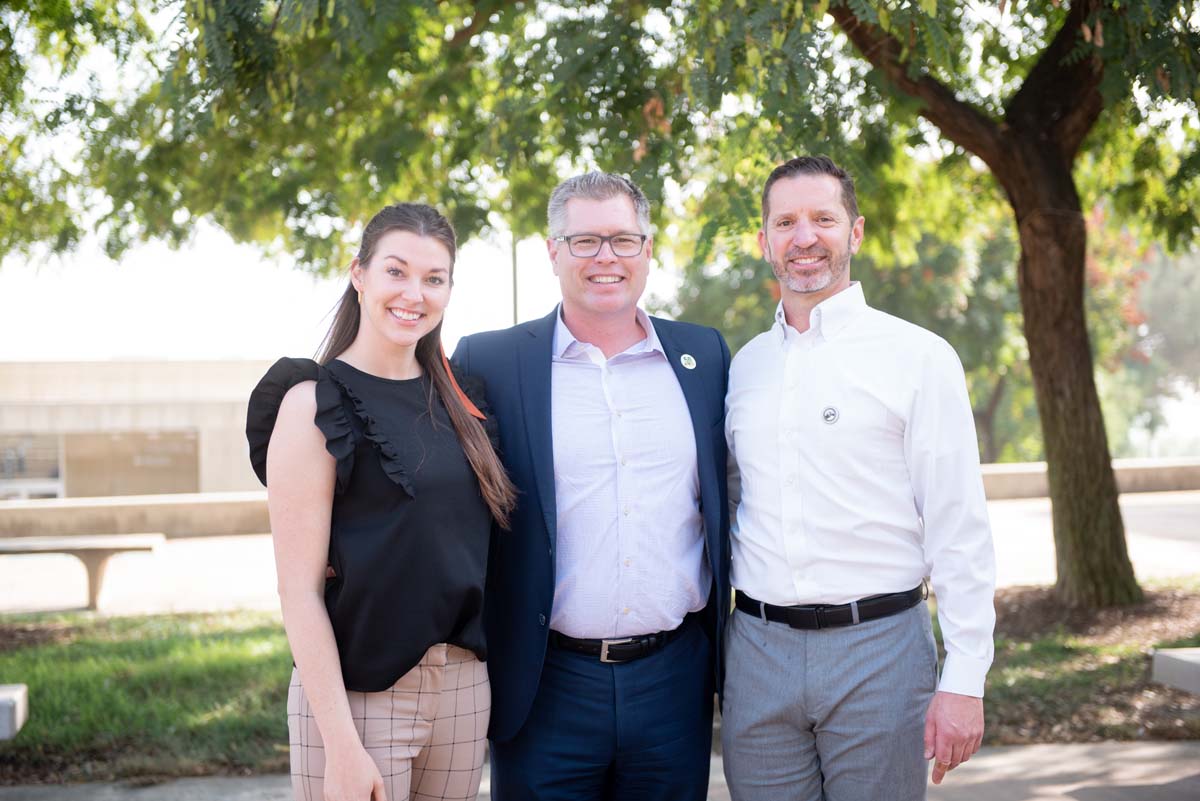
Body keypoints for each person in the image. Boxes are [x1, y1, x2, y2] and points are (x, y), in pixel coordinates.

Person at [722, 155, 996, 800]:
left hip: (882, 651)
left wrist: (965, 678)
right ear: (764, 240)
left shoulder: (919, 357)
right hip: (757, 651)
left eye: (823, 218)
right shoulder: (744, 367)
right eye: (785, 222)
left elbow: (958, 525)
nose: (804, 237)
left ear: (856, 231)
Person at [452, 172, 731, 801]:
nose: (606, 257)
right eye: (584, 241)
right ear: (552, 251)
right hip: (544, 683)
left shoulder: (705, 356)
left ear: (649, 249)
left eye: (623, 240)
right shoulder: (491, 361)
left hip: (674, 681)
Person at [245, 203, 516, 801]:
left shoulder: (464, 401)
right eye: (396, 271)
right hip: (359, 701)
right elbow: (299, 591)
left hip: (464, 693)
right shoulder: (312, 402)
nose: (413, 293)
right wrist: (340, 743)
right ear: (359, 274)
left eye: (433, 278)